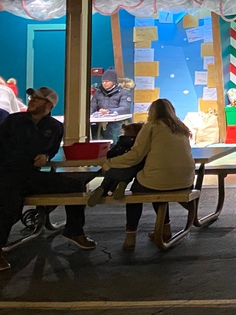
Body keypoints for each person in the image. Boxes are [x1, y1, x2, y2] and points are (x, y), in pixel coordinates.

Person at [0, 86, 96, 272]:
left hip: (31, 175)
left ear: (49, 105)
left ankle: (74, 230)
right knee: (9, 206)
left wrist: (46, 156)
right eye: (32, 98)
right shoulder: (13, 121)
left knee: (76, 185)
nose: (32, 101)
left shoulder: (54, 127)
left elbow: (51, 150)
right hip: (8, 174)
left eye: (37, 99)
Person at [102, 100, 194, 251]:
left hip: (157, 181)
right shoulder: (182, 128)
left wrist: (110, 162)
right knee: (156, 183)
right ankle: (165, 229)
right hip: (186, 181)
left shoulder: (151, 127)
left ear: (152, 112)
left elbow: (135, 156)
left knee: (139, 190)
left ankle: (130, 236)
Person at [85, 122, 145, 206]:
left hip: (114, 168)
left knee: (109, 178)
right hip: (129, 169)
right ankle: (122, 184)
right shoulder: (138, 144)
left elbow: (110, 154)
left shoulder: (121, 142)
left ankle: (102, 188)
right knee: (128, 175)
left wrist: (111, 161)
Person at [90, 67, 132, 144]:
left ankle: (114, 149)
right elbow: (92, 107)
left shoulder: (124, 93)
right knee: (91, 128)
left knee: (113, 128)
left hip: (118, 122)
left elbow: (125, 108)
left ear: (114, 82)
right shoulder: (98, 93)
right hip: (100, 121)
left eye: (107, 81)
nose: (104, 83)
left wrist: (109, 112)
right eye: (103, 81)